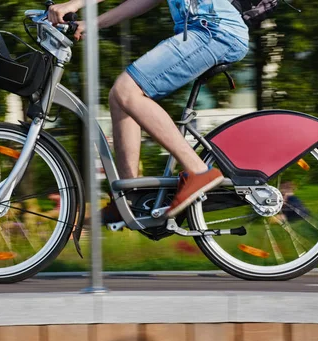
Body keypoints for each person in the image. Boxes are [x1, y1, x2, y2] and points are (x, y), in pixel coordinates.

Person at [48, 0, 249, 222]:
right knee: (118, 97)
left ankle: (198, 170)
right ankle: (132, 199)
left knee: (127, 90)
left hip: (214, 31)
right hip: (202, 31)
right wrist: (93, 23)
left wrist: (74, 4)